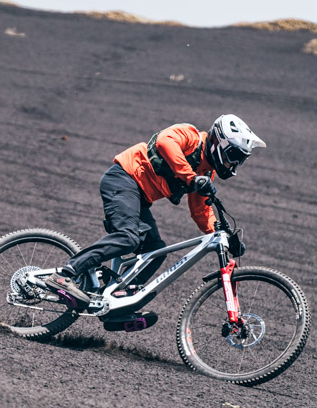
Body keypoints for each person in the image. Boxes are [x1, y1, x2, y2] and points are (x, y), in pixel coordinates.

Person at [46, 114, 265, 330]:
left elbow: (200, 211)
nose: (235, 163)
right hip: (123, 178)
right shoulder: (191, 137)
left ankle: (117, 308)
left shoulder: (206, 172)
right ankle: (65, 274)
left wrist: (221, 235)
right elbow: (165, 141)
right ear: (219, 142)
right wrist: (191, 177)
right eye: (234, 155)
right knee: (128, 238)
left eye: (240, 159)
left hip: (139, 198)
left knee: (156, 251)